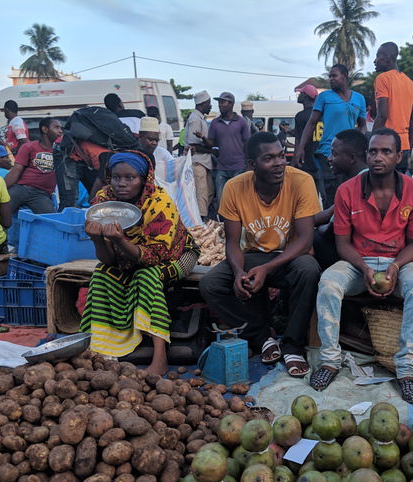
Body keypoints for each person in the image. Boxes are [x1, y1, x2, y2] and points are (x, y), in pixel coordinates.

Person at [311, 128, 413, 401]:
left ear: (399, 156)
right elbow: (342, 244)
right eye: (373, 151)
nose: (379, 157)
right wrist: (364, 268)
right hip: (357, 262)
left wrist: (396, 267)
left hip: (398, 262)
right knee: (328, 282)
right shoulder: (346, 191)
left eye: (386, 151)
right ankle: (330, 361)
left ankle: (407, 370)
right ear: (366, 154)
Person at [199, 132, 321, 377]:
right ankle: (262, 335)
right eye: (269, 158)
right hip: (254, 255)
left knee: (309, 269)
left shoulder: (301, 181)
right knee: (210, 284)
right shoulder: (234, 187)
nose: (279, 163)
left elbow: (306, 238)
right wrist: (238, 273)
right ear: (252, 165)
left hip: (292, 256)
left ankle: (293, 345)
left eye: (280, 155)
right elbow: (232, 242)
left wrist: (267, 269)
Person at [81, 152, 199, 374]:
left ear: (144, 179)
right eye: (116, 177)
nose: (121, 184)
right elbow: (110, 259)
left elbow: (154, 257)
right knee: (102, 272)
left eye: (130, 178)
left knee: (146, 275)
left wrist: (120, 240)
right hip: (128, 257)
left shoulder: (159, 203)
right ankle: (102, 348)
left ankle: (160, 355)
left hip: (175, 254)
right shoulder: (103, 202)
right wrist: (97, 239)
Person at [293, 64, 366, 208]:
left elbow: (363, 124)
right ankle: (329, 227)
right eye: (329, 76)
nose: (330, 79)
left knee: (351, 191)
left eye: (334, 76)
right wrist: (301, 148)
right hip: (328, 152)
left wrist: (359, 140)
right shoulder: (324, 97)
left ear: (345, 76)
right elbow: (312, 122)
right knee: (332, 193)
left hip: (350, 154)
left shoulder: (359, 99)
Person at [313, 129, 369, 270]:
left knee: (305, 237)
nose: (329, 158)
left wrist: (316, 228)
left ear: (351, 158)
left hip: (356, 255)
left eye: (334, 153)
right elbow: (329, 213)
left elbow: (329, 232)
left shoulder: (351, 187)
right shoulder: (367, 177)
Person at [195, 92, 251, 205]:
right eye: (219, 103)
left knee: (238, 201)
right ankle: (223, 222)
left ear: (231, 104)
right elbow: (211, 143)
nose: (220, 105)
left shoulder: (241, 122)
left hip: (239, 167)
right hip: (222, 168)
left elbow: (247, 143)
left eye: (223, 102)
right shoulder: (215, 123)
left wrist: (248, 165)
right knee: (222, 202)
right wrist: (203, 138)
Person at [372, 42, 413, 174]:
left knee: (381, 190)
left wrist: (371, 144)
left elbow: (382, 115)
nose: (375, 61)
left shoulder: (382, 79)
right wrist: (407, 151)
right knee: (399, 189)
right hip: (403, 147)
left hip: (385, 147)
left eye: (377, 56)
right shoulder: (410, 83)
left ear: (387, 57)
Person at [4, 118, 63, 215]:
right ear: (45, 129)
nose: (60, 131)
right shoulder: (29, 147)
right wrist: (0, 191)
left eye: (60, 128)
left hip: (42, 194)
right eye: (56, 127)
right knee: (1, 213)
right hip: (21, 188)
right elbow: (16, 171)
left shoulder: (60, 151)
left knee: (49, 221)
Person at [185, 91, 216, 218]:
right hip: (198, 162)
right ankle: (200, 223)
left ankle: (201, 218)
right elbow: (194, 145)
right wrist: (212, 151)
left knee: (209, 192)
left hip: (204, 163)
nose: (210, 106)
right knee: (201, 195)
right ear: (202, 104)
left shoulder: (199, 118)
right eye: (209, 104)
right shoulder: (194, 119)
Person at [293, 84, 323, 202]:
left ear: (306, 97)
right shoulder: (322, 114)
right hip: (321, 163)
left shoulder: (301, 116)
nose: (299, 95)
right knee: (325, 198)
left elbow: (299, 141)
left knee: (308, 199)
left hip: (306, 163)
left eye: (301, 93)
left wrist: (294, 163)